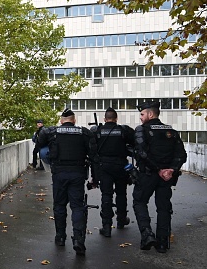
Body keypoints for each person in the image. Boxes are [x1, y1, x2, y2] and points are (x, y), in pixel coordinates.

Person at [37, 109, 96, 255]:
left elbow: (40, 144)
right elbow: (94, 155)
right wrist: (95, 177)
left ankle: (60, 237)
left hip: (59, 174)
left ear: (61, 121)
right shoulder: (83, 132)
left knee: (59, 205)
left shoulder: (53, 132)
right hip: (77, 174)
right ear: (74, 120)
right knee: (77, 207)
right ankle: (78, 239)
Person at [132, 100, 187, 253]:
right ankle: (163, 243)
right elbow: (181, 155)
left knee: (139, 201)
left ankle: (147, 234)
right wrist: (171, 170)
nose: (141, 117)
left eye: (142, 114)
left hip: (148, 175)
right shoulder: (171, 132)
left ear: (150, 114)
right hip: (166, 178)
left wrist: (158, 169)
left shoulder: (142, 130)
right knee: (163, 207)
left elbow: (142, 154)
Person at [90, 108, 135, 237]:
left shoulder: (98, 131)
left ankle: (106, 226)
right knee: (121, 193)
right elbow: (134, 144)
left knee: (106, 195)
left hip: (104, 167)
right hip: (120, 166)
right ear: (116, 119)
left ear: (105, 119)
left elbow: (93, 150)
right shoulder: (123, 130)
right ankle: (121, 220)